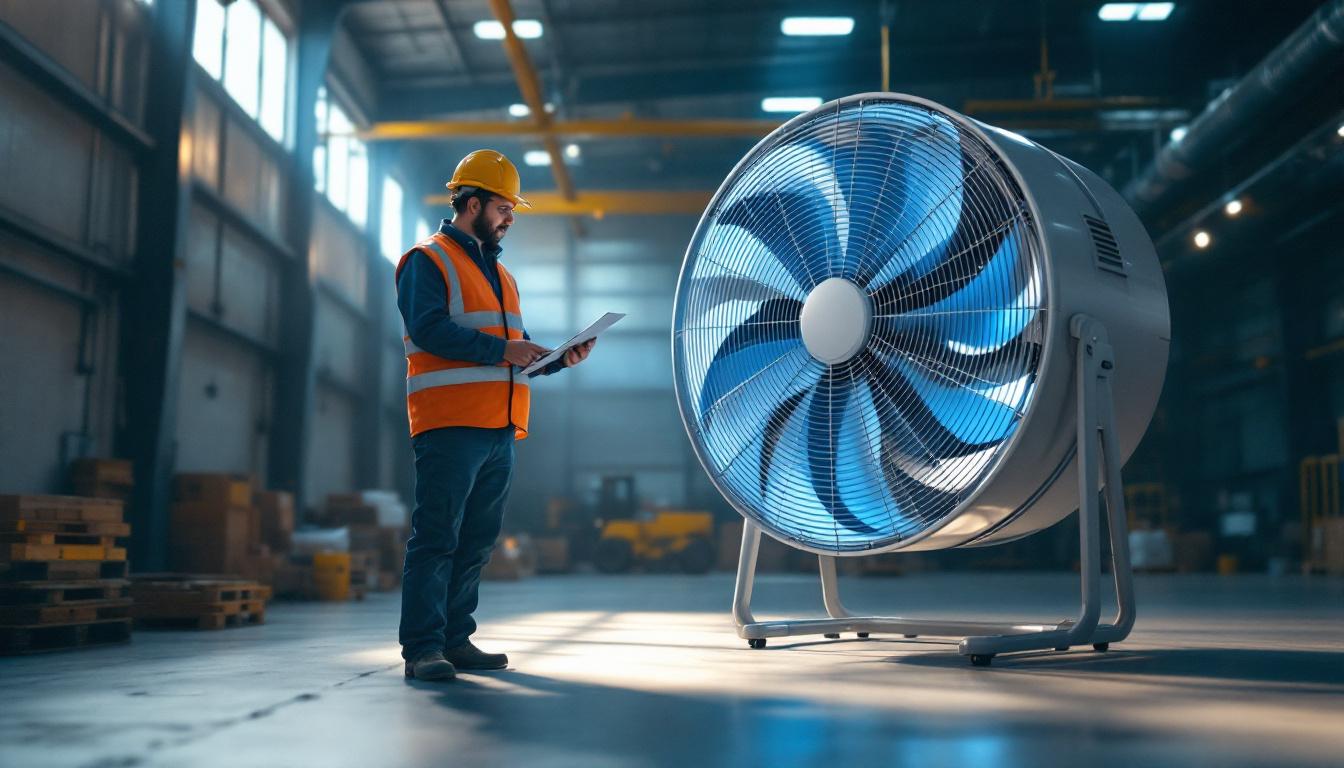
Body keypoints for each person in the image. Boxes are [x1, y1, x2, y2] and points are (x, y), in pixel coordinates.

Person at [395, 149, 595, 681]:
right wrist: (504, 350)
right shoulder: (427, 260)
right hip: (449, 422)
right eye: (503, 208)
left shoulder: (502, 275)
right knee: (437, 536)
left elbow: (514, 352)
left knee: (478, 540)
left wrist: (558, 359)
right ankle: (422, 649)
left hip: (499, 426)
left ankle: (455, 640)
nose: (510, 218)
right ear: (472, 203)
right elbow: (428, 330)